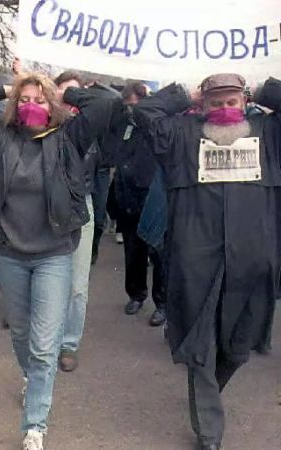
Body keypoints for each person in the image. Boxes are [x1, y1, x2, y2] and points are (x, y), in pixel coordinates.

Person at [133, 74, 281, 450]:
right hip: (196, 257)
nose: (225, 110)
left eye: (233, 101)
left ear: (245, 102)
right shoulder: (181, 136)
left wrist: (263, 89)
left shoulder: (271, 134)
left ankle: (206, 388)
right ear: (202, 105)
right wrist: (184, 93)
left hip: (251, 260)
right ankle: (209, 431)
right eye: (216, 102)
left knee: (236, 347)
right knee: (200, 342)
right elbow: (146, 112)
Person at [0, 72, 119, 450]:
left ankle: (34, 425)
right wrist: (11, 87)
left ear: (53, 106)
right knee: (21, 333)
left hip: (53, 254)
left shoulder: (68, 137)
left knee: (45, 346)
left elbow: (106, 103)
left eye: (39, 100)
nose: (32, 106)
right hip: (9, 252)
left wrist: (63, 90)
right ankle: (31, 374)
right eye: (25, 100)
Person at [108, 81, 167, 326]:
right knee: (133, 252)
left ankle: (162, 304)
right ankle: (136, 294)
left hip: (154, 199)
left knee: (159, 254)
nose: (131, 110)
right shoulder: (124, 125)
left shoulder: (157, 126)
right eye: (127, 106)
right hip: (127, 197)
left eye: (135, 105)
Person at [52, 70, 97, 372]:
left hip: (80, 207)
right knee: (46, 278)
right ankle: (46, 340)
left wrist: (71, 95)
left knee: (77, 285)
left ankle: (68, 344)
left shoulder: (87, 128)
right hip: (43, 208)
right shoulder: (42, 123)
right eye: (62, 93)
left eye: (74, 94)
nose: (68, 101)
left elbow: (106, 103)